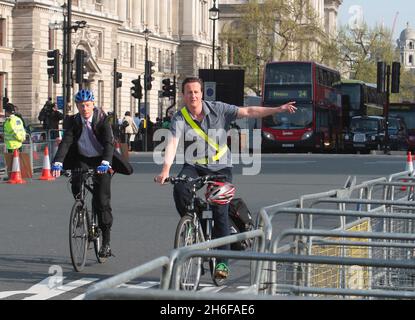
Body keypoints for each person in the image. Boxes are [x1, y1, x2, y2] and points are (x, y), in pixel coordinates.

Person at [155, 77, 296, 280]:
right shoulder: (180, 117)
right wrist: (165, 170)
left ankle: (222, 263)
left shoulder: (218, 109)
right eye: (189, 92)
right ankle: (195, 226)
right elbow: (173, 142)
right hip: (194, 166)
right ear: (183, 95)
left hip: (220, 167)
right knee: (179, 189)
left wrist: (278, 109)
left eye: (196, 91)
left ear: (202, 93)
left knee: (219, 211)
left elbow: (249, 112)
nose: (193, 95)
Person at [51, 89, 133, 258]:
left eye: (88, 105)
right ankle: (80, 208)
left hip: (101, 160)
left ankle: (106, 242)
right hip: (82, 158)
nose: (85, 109)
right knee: (75, 183)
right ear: (77, 106)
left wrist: (106, 162)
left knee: (102, 201)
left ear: (93, 104)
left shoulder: (102, 120)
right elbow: (66, 141)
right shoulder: (73, 121)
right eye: (81, 106)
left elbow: (109, 143)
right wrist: (58, 162)